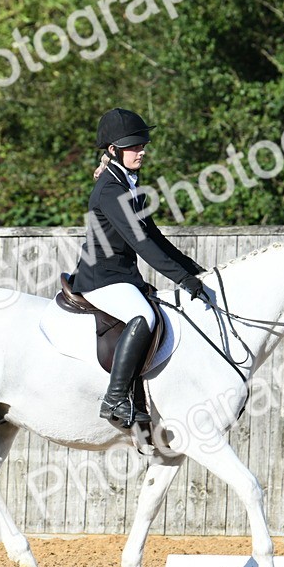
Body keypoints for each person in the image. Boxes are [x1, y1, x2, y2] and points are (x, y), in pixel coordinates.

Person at [70, 107, 207, 434]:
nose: (141, 150)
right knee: (143, 316)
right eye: (133, 146)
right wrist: (182, 279)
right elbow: (140, 242)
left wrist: (193, 270)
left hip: (122, 276)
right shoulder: (110, 190)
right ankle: (115, 398)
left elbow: (154, 236)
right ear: (113, 150)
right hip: (101, 278)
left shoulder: (129, 183)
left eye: (142, 144)